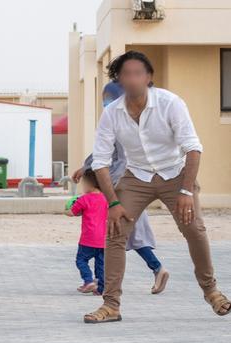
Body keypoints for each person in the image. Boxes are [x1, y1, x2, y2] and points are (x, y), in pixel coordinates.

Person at [84, 51, 231, 323]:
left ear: (148, 77)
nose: (132, 79)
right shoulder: (112, 114)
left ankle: (211, 291)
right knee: (114, 231)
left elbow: (193, 148)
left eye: (138, 73)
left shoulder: (170, 103)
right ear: (119, 79)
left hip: (175, 173)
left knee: (194, 229)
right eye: (126, 74)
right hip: (136, 175)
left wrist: (186, 191)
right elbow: (101, 162)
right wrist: (113, 203)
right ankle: (111, 305)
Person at [72, 81, 169, 295]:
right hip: (135, 185)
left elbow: (103, 153)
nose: (106, 102)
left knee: (112, 237)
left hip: (120, 187)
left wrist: (87, 167)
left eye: (109, 98)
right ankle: (156, 269)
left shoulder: (119, 122)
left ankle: (106, 284)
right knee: (132, 234)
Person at [66, 169, 108, 296]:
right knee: (101, 264)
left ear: (90, 184)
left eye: (83, 183)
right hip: (103, 239)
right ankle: (101, 288)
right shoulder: (106, 198)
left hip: (88, 238)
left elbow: (71, 212)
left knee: (81, 260)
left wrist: (66, 209)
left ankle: (88, 280)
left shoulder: (84, 199)